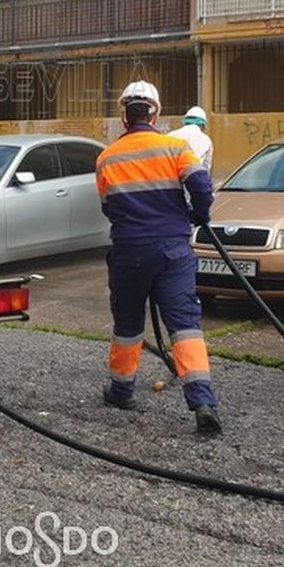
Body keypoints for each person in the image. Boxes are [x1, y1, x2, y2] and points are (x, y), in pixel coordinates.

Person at [95, 81, 221, 433]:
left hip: (129, 251)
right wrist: (200, 214)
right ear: (157, 112)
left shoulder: (107, 157)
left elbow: (108, 207)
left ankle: (121, 390)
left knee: (128, 325)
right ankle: (203, 402)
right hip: (174, 251)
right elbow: (200, 184)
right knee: (185, 325)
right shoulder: (175, 147)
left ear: (124, 116)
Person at [168, 105, 213, 172]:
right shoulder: (206, 141)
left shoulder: (170, 135)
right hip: (193, 177)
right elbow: (206, 168)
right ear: (203, 125)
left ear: (185, 121)